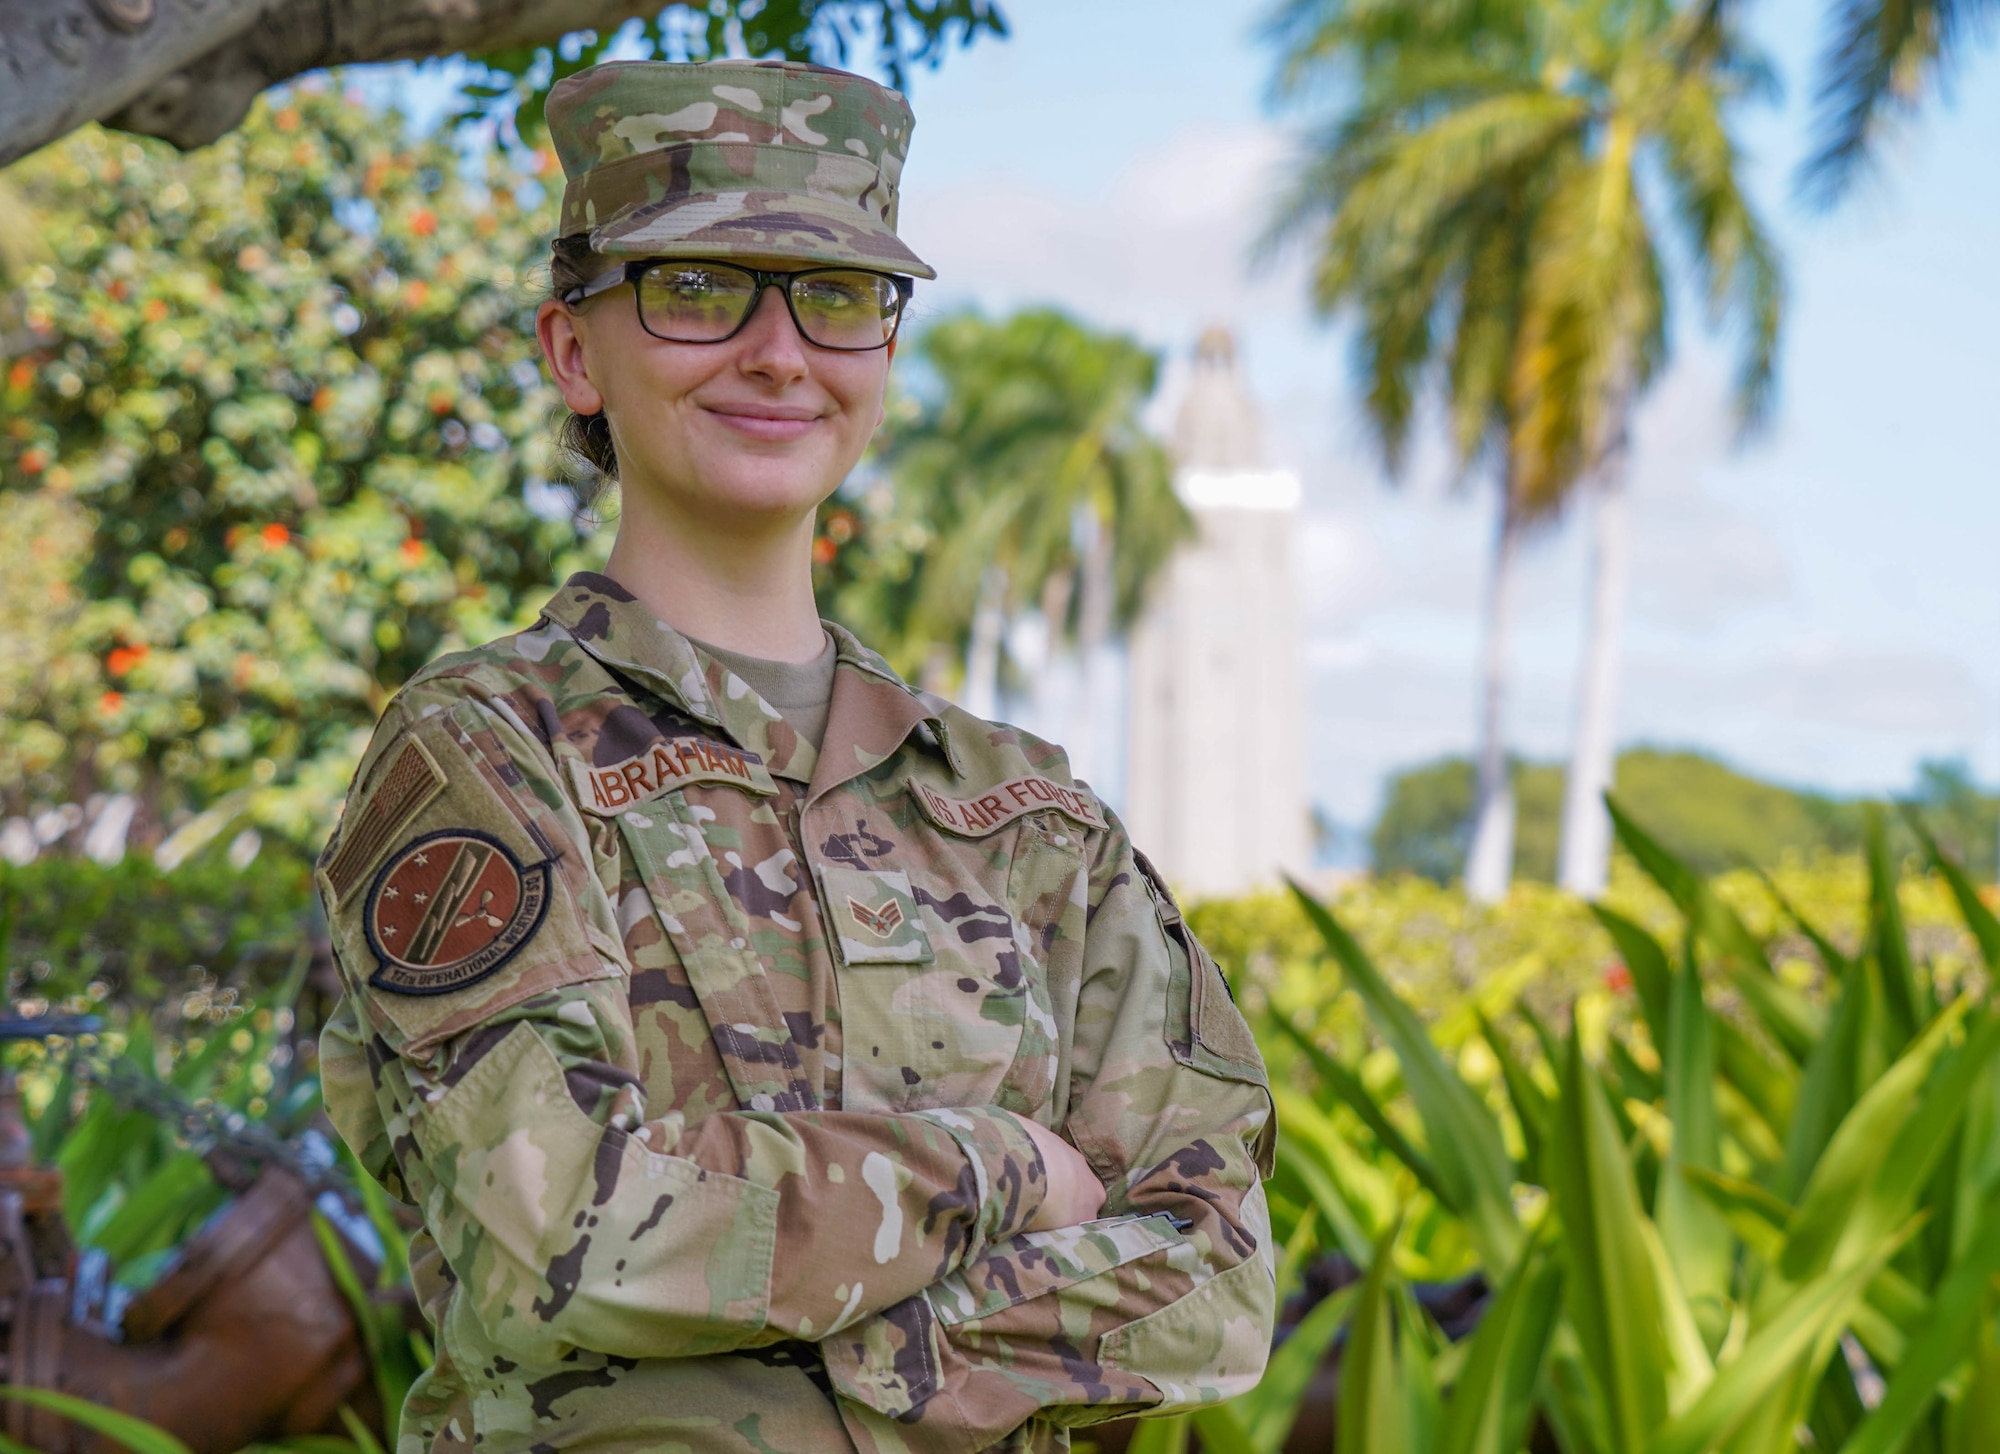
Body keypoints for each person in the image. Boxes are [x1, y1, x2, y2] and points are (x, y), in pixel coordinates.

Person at [316, 57, 1276, 1454]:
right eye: (697, 288)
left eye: (834, 298)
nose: (778, 351)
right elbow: (574, 1239)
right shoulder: (488, 754)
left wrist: (845, 1340)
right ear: (575, 349)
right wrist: (999, 1164)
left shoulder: (1021, 811)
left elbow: (1220, 1277)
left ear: (882, 349)